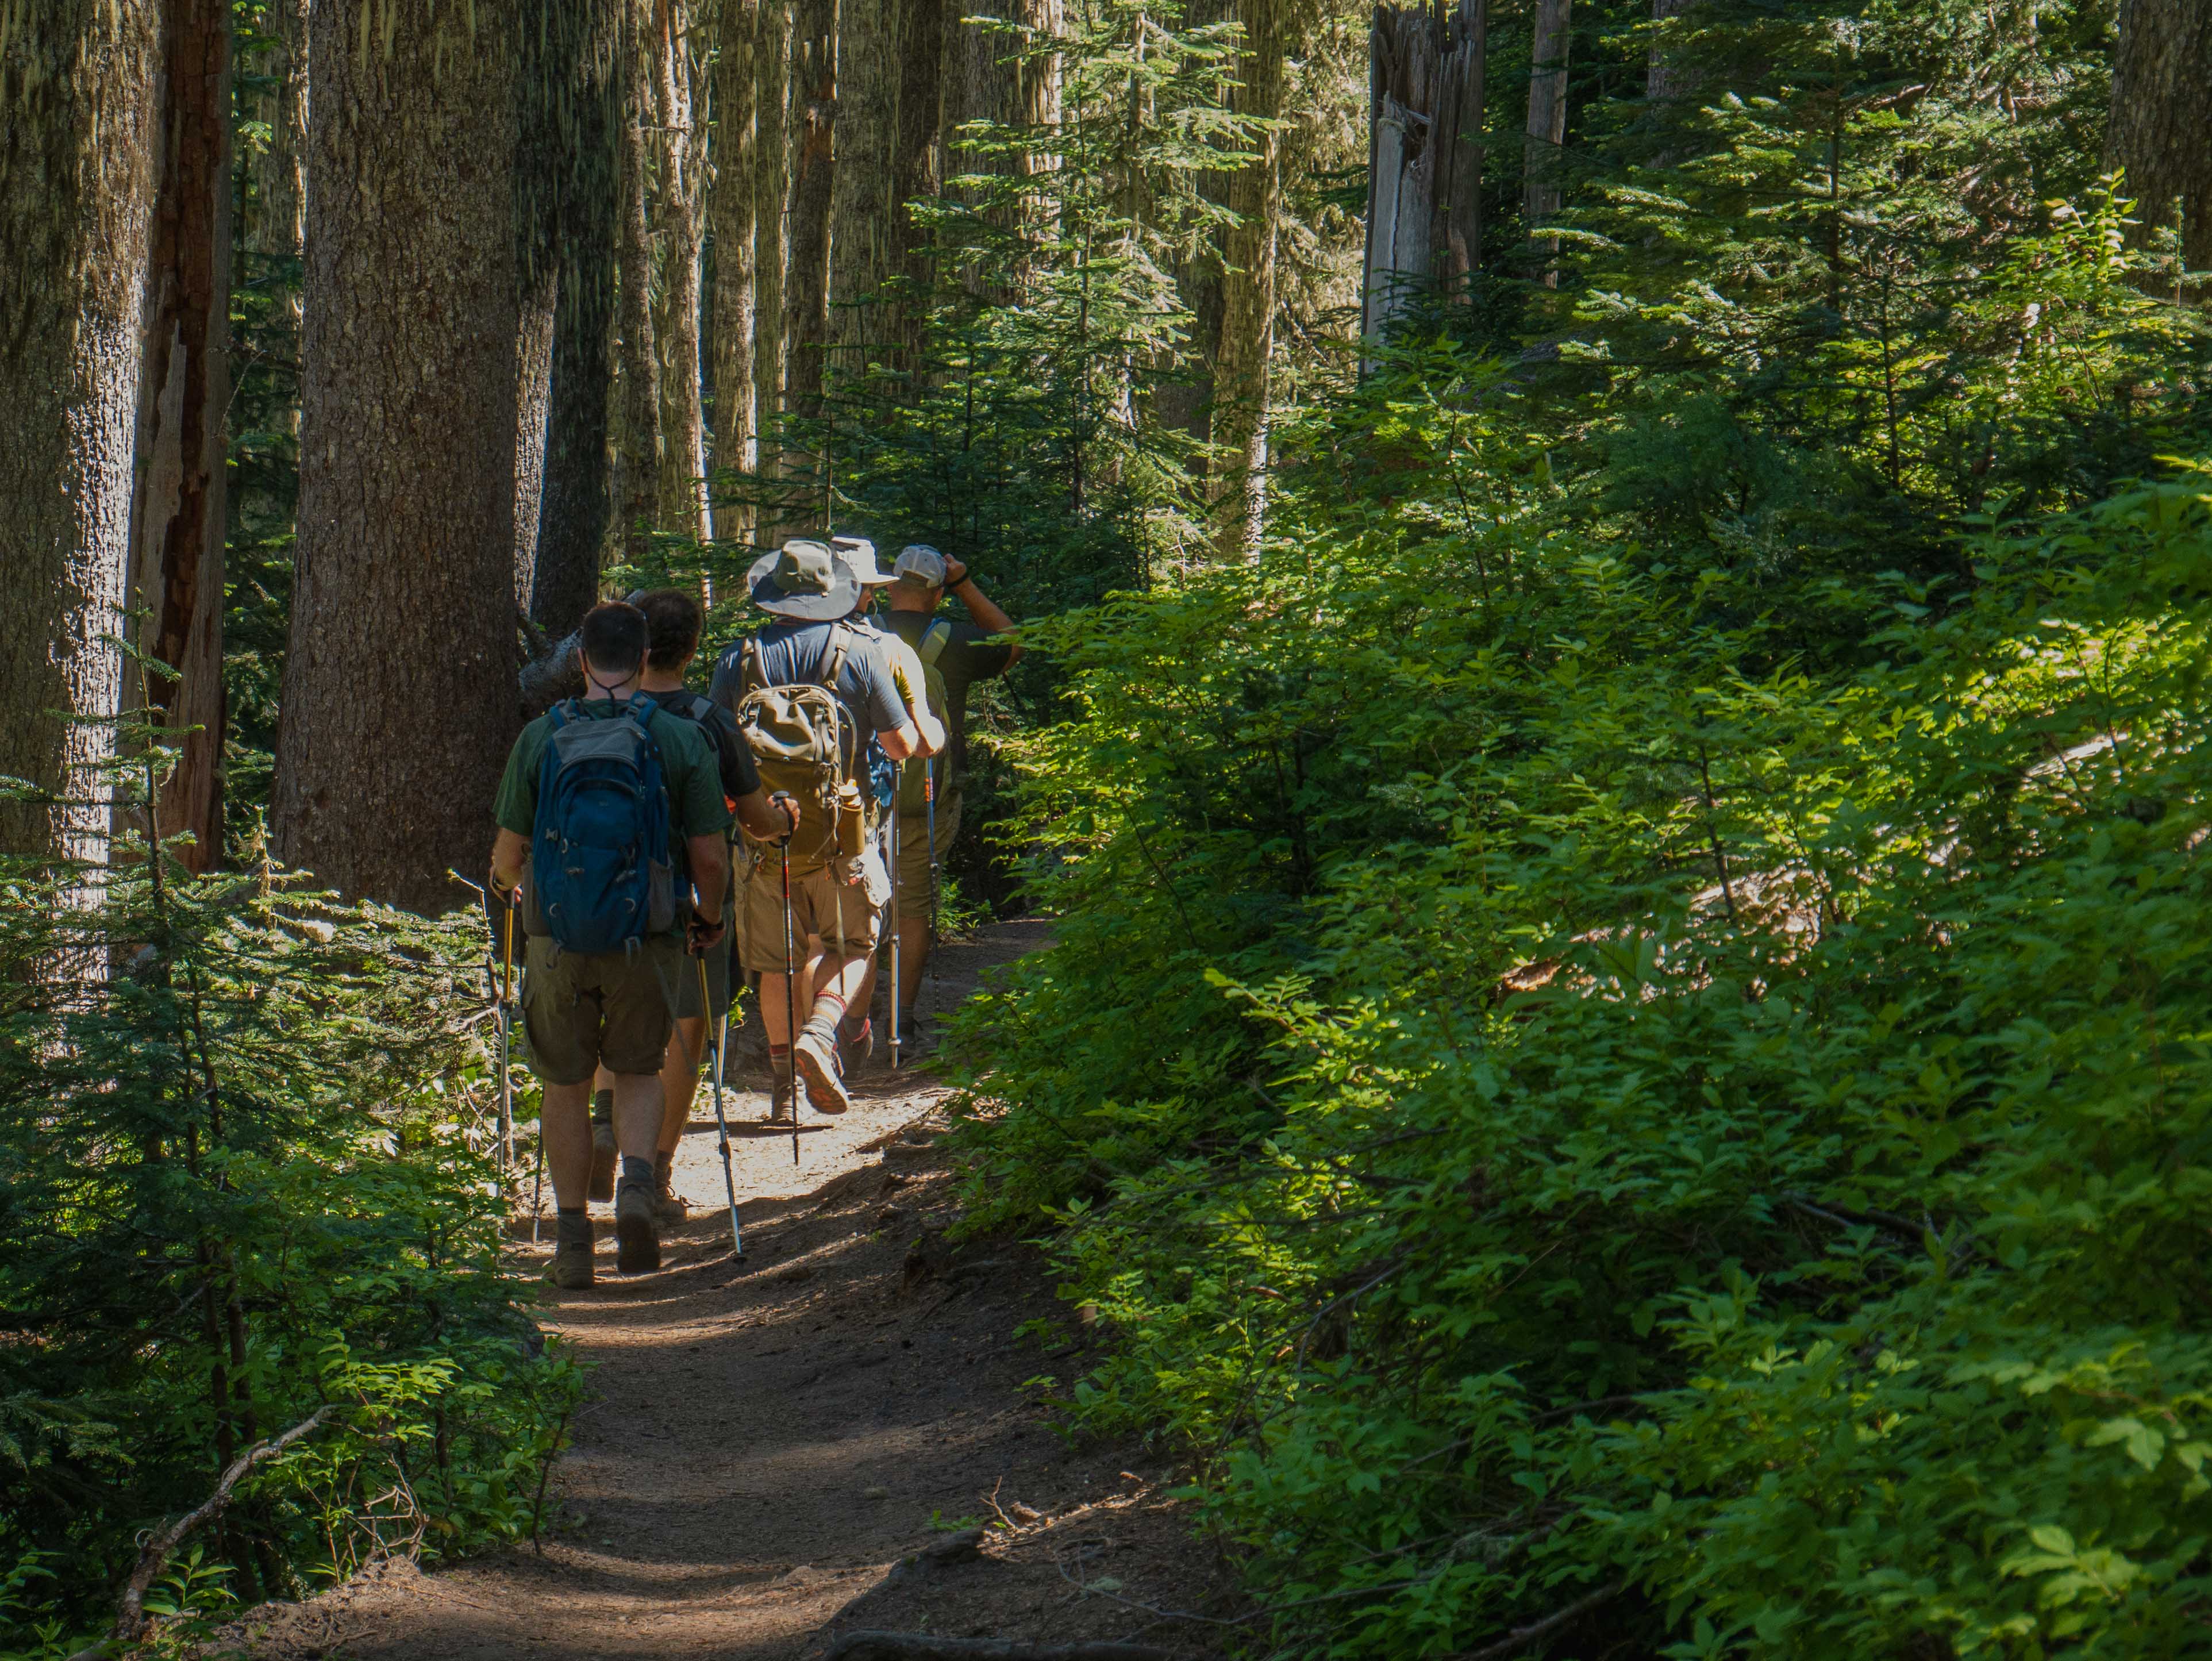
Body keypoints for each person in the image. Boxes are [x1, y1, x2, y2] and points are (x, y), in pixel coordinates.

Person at [487, 601, 733, 1289]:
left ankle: (572, 1242)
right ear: (645, 655)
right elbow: (710, 858)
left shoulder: (541, 736)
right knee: (638, 1071)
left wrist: (517, 890)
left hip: (555, 939)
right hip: (646, 937)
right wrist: (708, 917)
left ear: (582, 661)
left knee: (565, 1084)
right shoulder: (679, 738)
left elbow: (507, 857)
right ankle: (636, 1193)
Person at [586, 589, 799, 1220]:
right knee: (687, 1026)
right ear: (693, 647)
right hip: (681, 899)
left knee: (610, 1012)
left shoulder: (591, 715)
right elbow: (755, 821)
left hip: (598, 891)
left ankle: (604, 1123)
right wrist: (783, 819)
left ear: (637, 646)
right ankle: (652, 1176)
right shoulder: (708, 721)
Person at [709, 540, 925, 1118]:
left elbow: (716, 750)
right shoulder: (860, 654)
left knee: (775, 964)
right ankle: (823, 1030)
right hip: (843, 838)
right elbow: (900, 745)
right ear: (833, 592)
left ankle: (784, 1091)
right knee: (852, 946)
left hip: (764, 838)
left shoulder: (738, 659)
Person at [878, 545, 1022, 1037]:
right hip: (928, 795)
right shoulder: (956, 640)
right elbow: (1015, 643)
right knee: (913, 907)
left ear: (890, 586)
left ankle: (848, 1018)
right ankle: (901, 1019)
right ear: (938, 594)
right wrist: (966, 584)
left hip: (859, 796)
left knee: (852, 902)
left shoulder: (859, 635)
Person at [829, 537, 947, 1069]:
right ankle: (869, 1025)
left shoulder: (765, 649)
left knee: (810, 928)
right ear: (868, 591)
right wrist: (937, 735)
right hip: (869, 812)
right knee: (880, 919)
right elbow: (916, 741)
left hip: (788, 815)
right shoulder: (888, 649)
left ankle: (809, 1037)